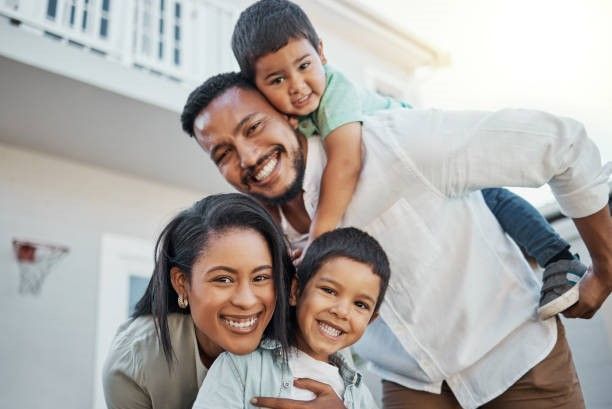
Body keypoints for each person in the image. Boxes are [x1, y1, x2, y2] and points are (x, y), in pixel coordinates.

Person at [180, 73, 612, 408]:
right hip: (410, 389)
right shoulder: (264, 240)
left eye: (254, 127)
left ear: (288, 114)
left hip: (520, 364)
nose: (249, 157)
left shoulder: (395, 144)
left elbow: (561, 144)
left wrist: (604, 269)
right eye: (223, 153)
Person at [230, 0, 587, 319]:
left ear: (322, 53)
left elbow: (345, 162)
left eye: (304, 65)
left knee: (491, 196)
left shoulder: (336, 89)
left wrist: (319, 236)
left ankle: (559, 258)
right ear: (258, 88)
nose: (296, 85)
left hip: (427, 153)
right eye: (277, 79)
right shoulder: (288, 119)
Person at [103, 193, 302, 409]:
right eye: (223, 279)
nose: (246, 301)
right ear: (182, 283)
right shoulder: (134, 363)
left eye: (261, 278)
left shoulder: (305, 337)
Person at [193, 227, 390, 409]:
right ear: (295, 291)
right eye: (329, 291)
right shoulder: (240, 366)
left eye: (360, 305)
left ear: (371, 320)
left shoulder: (360, 396)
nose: (342, 311)